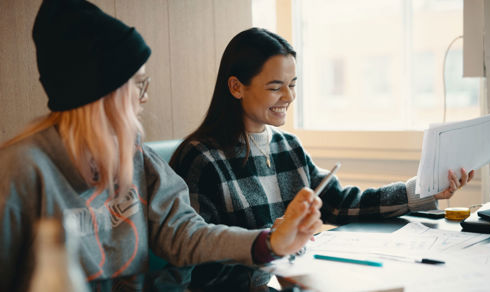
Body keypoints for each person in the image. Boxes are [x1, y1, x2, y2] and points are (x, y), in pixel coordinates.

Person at [0, 2, 323, 292]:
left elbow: (184, 234)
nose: (145, 97)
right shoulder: (20, 169)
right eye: (139, 84)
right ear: (102, 91)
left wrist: (269, 243)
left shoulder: (135, 154)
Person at [169, 27, 475, 291]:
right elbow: (198, 261)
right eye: (276, 87)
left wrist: (421, 190)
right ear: (236, 87)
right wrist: (271, 242)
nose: (288, 98)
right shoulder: (201, 158)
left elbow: (341, 204)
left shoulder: (288, 147)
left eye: (292, 85)